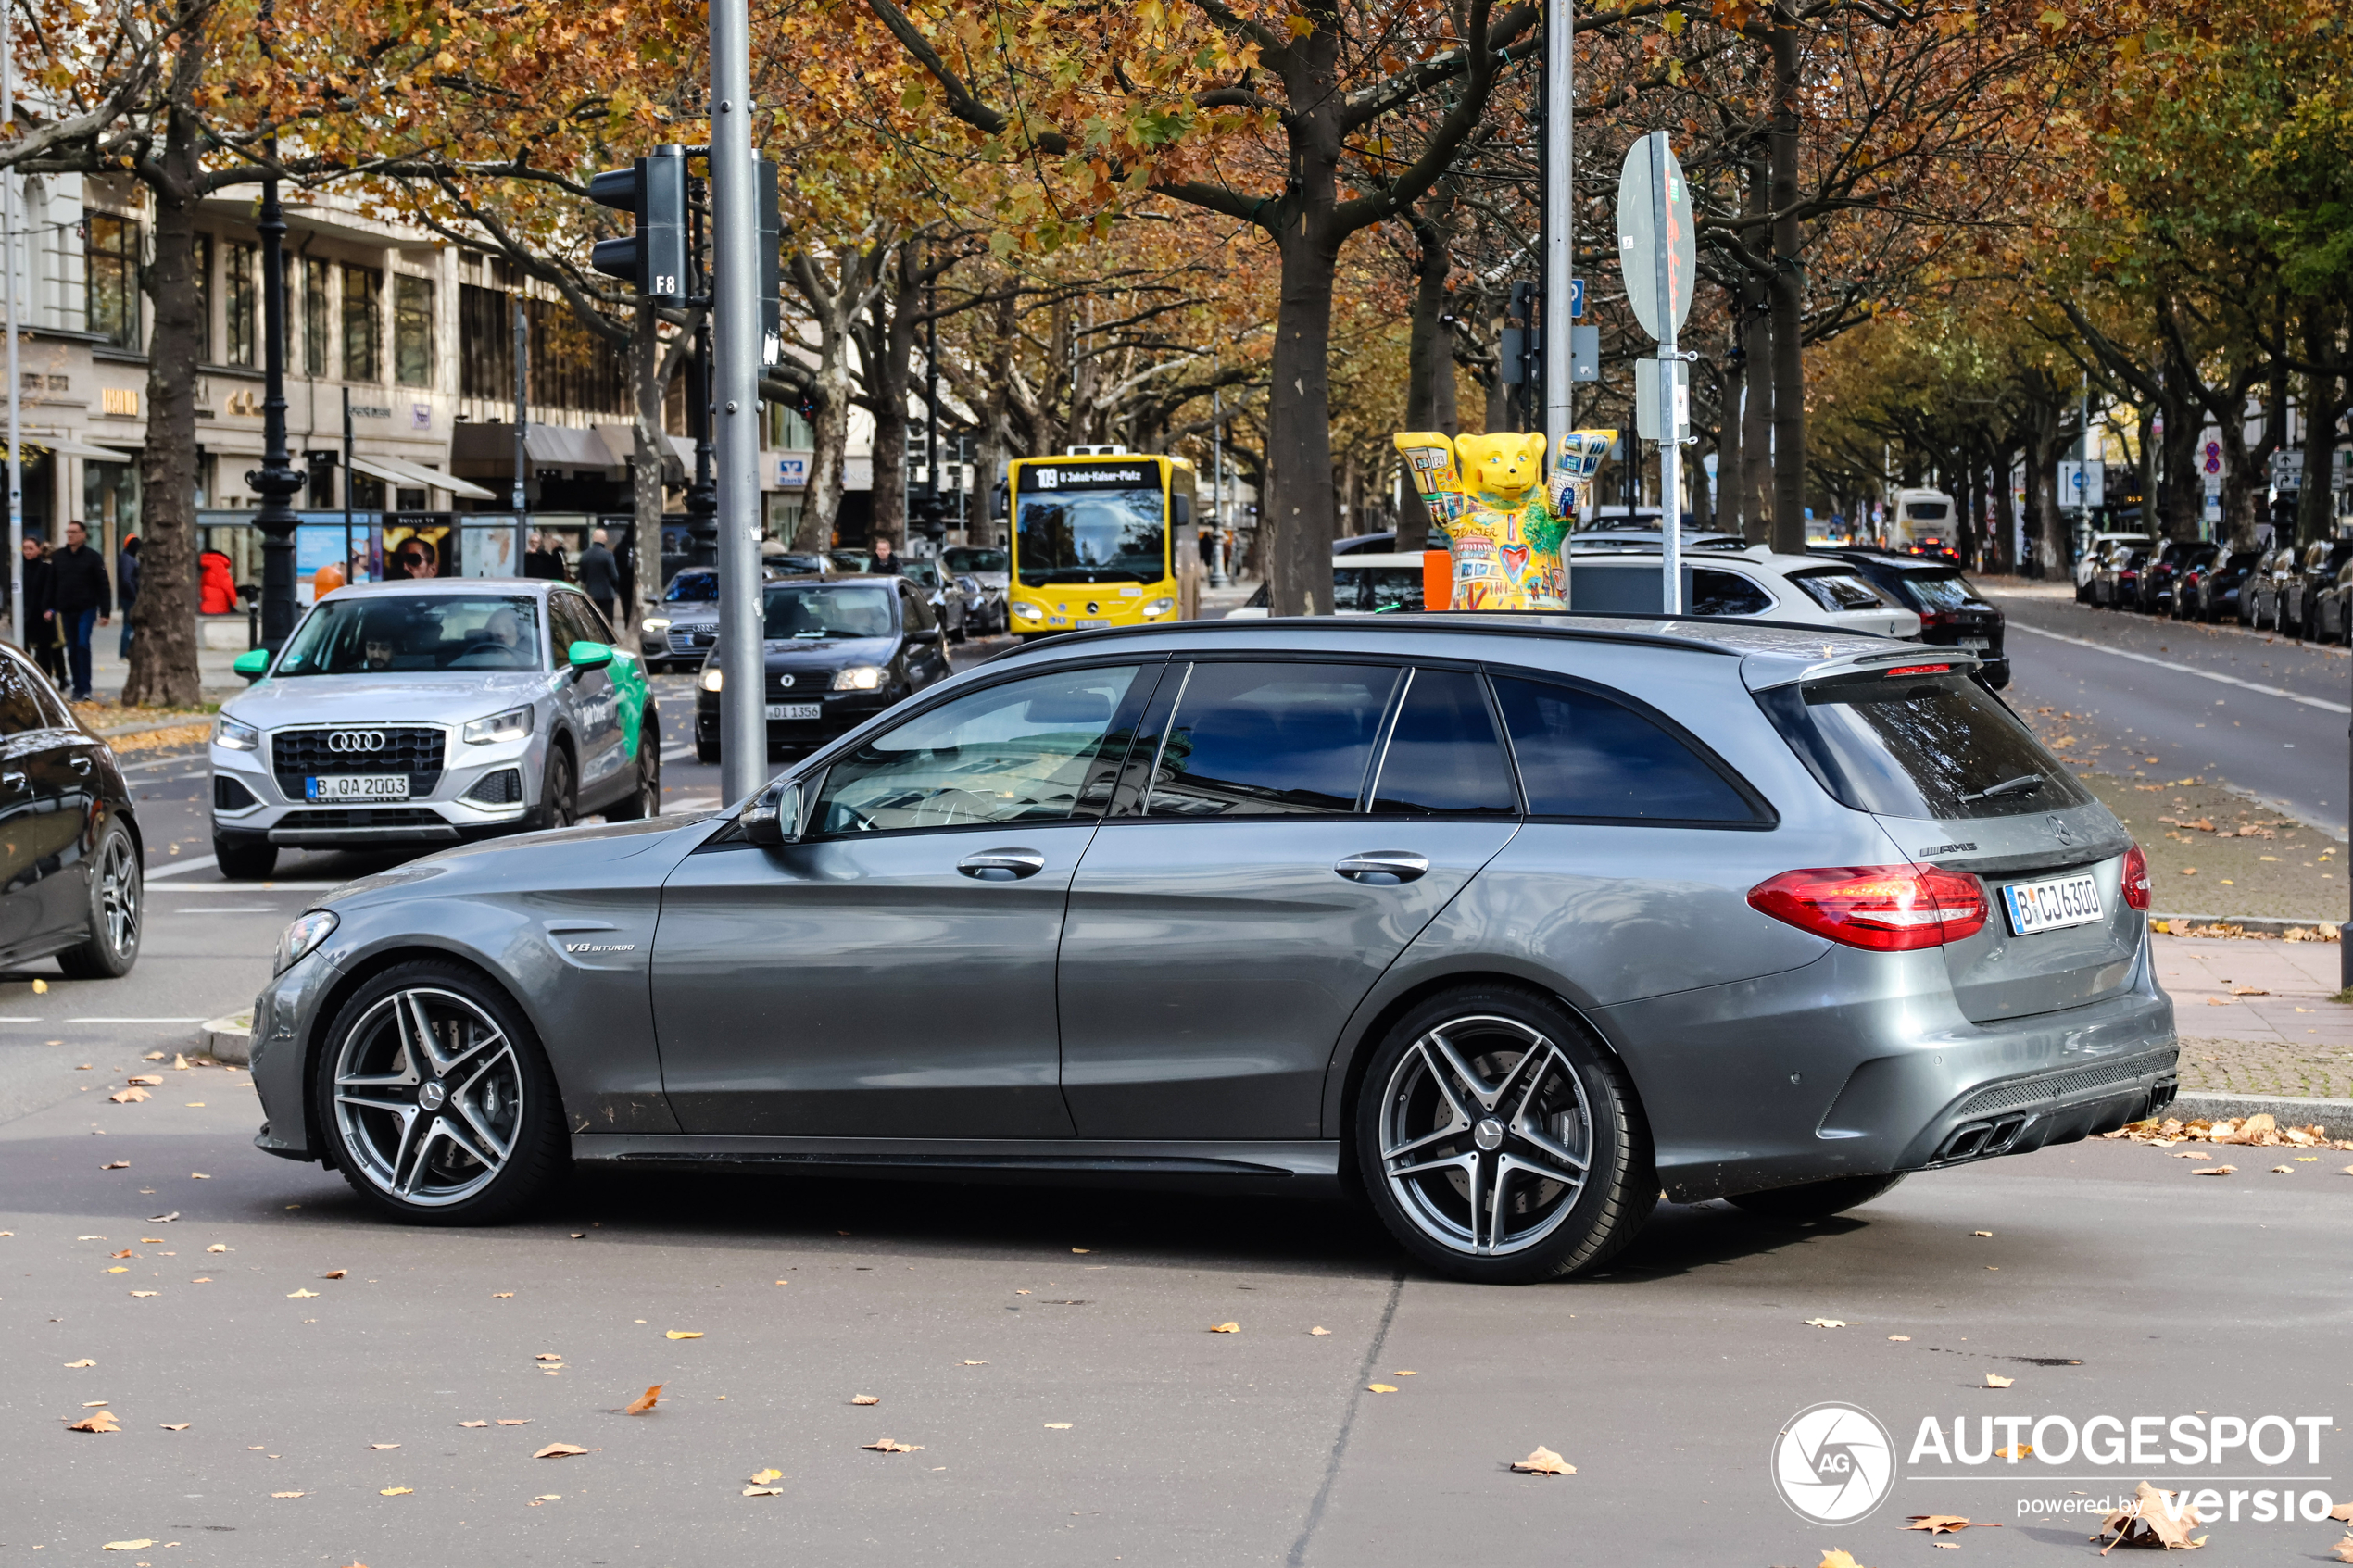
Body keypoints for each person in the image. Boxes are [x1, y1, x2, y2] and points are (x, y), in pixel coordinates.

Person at [48, 520, 112, 700]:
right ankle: (77, 687)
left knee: (82, 644)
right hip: (66, 609)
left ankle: (85, 687)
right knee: (72, 648)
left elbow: (103, 584)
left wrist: (105, 611)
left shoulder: (93, 557)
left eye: (74, 532)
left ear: (83, 535)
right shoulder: (59, 557)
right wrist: (49, 606)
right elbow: (51, 583)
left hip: (86, 608)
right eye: (68, 531)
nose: (70, 535)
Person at [19, 534, 63, 684]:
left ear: (38, 549)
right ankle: (24, 679)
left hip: (42, 614)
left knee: (44, 651)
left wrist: (50, 609)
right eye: (25, 549)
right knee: (22, 649)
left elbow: (50, 590)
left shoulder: (45, 568)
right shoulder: (19, 568)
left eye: (31, 549)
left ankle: (45, 681)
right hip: (24, 614)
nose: (28, 552)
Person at [576, 528, 621, 629]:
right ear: (604, 539)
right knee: (607, 624)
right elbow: (614, 576)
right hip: (606, 595)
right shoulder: (607, 555)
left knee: (593, 623)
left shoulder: (585, 555)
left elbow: (582, 577)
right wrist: (614, 588)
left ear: (593, 538)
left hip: (590, 594)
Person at [115, 535, 139, 659]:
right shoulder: (128, 560)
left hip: (127, 596)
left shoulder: (126, 558)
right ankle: (124, 653)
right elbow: (126, 579)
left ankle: (127, 651)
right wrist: (134, 594)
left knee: (129, 625)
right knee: (129, 625)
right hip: (129, 597)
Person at [199, 549, 238, 614]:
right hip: (218, 606)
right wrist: (234, 601)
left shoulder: (204, 565)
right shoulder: (218, 566)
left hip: (204, 605)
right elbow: (228, 586)